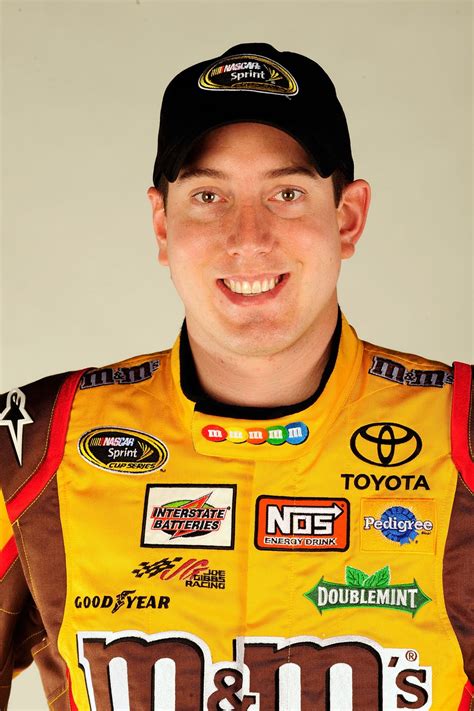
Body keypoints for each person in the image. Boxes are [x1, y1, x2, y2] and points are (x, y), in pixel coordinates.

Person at [0, 42, 472, 711]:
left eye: (287, 193)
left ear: (347, 218)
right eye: (208, 195)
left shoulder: (463, 436)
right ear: (162, 225)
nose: (248, 237)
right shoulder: (34, 442)